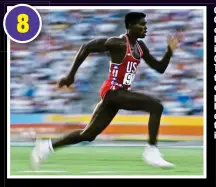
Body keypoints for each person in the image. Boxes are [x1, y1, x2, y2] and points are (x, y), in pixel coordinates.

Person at [30, 12, 183, 170]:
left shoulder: (140, 47)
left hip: (119, 94)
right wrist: (70, 76)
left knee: (88, 135)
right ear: (130, 26)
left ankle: (45, 146)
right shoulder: (117, 43)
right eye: (142, 24)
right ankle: (151, 150)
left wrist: (169, 51)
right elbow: (86, 47)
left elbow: (159, 68)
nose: (146, 28)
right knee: (156, 106)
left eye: (146, 24)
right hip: (112, 91)